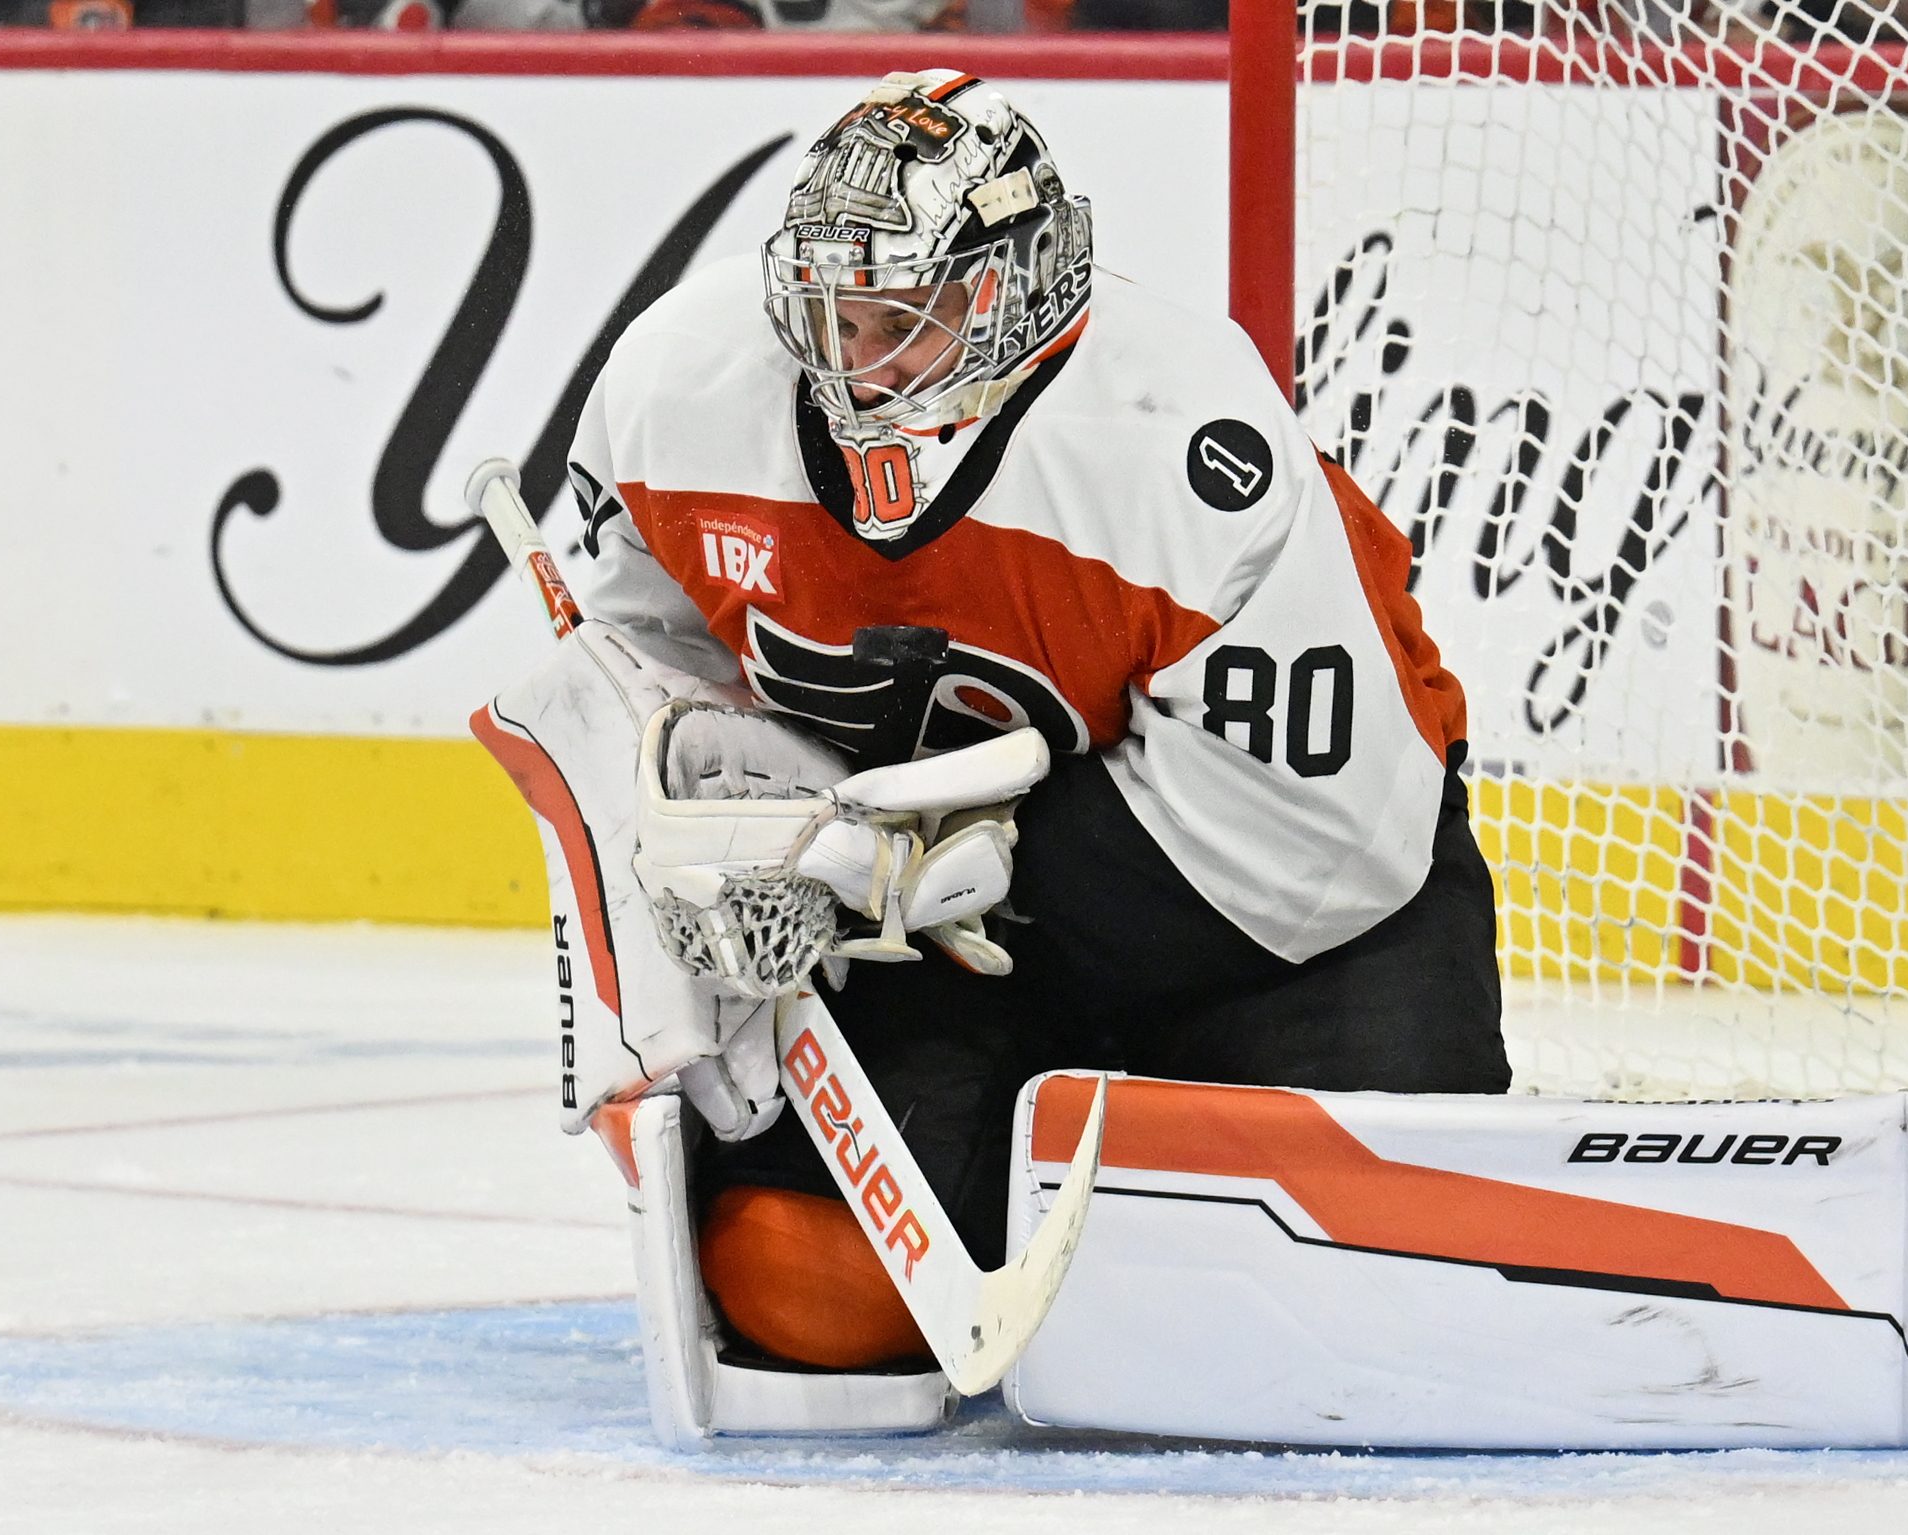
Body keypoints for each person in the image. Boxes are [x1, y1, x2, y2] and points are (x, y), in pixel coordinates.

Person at [499, 67, 1510, 1381]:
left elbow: (1327, 833)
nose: (849, 363)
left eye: (897, 319)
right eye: (827, 314)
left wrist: (944, 874)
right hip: (924, 936)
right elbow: (638, 667)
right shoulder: (674, 386)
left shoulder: (1177, 434)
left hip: (1289, 933)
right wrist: (694, 836)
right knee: (800, 1290)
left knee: (1374, 1305)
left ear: (1013, 297)